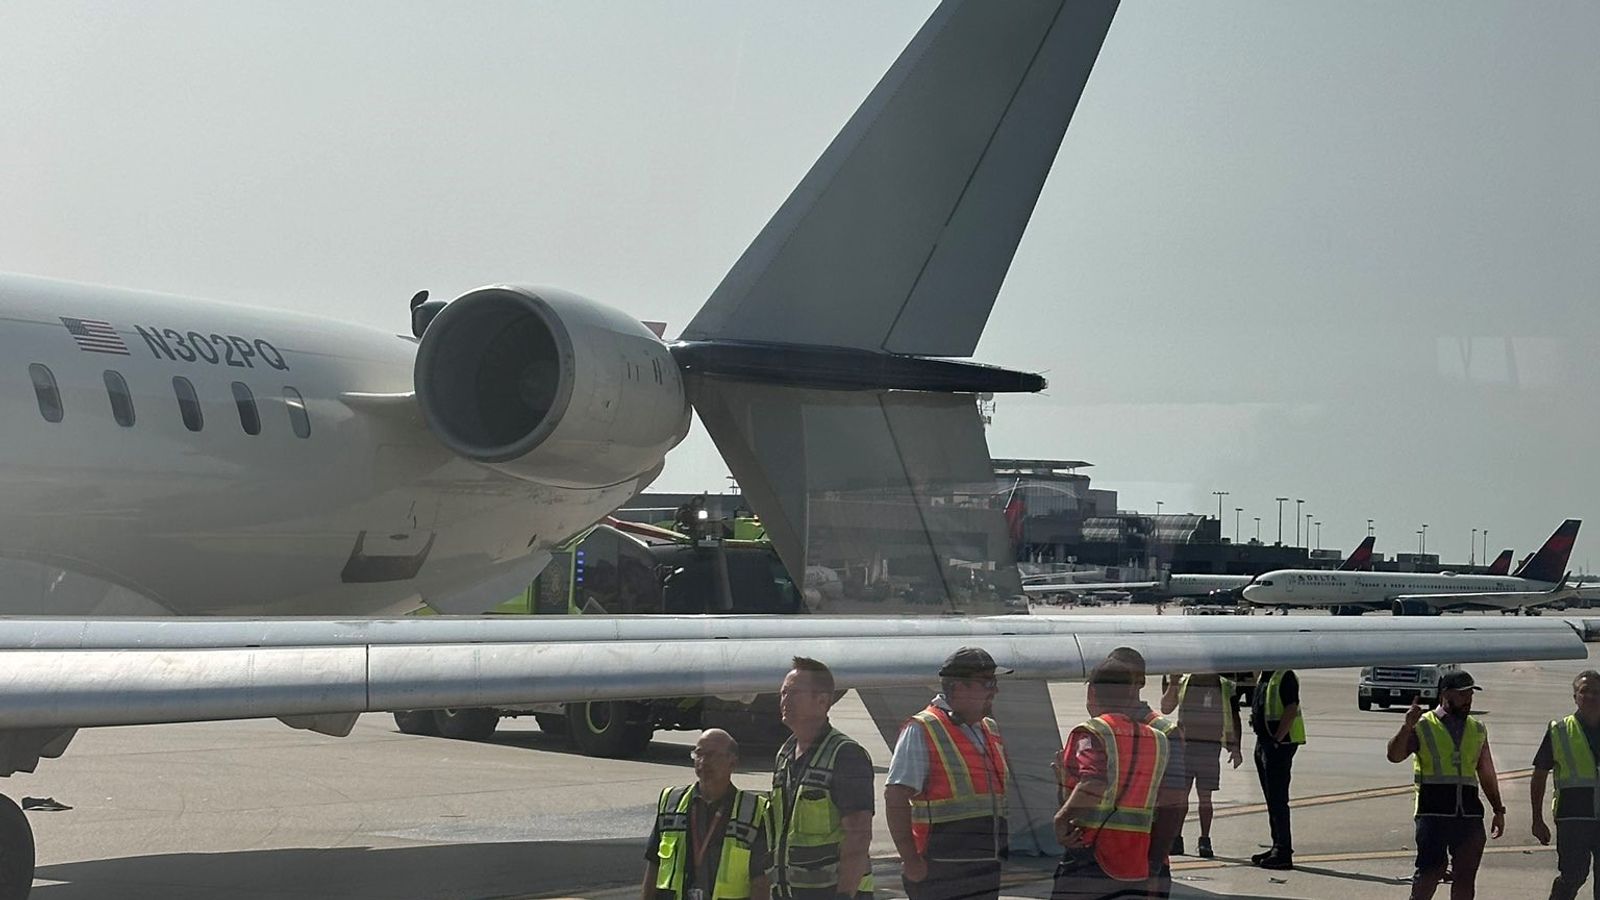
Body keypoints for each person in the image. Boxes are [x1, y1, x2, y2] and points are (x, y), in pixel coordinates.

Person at [885, 647, 1012, 900]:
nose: (994, 691)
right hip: (940, 870)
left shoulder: (988, 728)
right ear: (958, 688)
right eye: (987, 683)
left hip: (984, 868)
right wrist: (911, 861)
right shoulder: (923, 729)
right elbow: (895, 797)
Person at [1051, 659, 1171, 899]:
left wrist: (1061, 817)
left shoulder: (1092, 732)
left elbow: (1094, 781)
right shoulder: (1158, 740)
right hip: (1135, 860)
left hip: (1091, 855)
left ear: (1091, 691)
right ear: (1131, 693)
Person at [1386, 669, 1504, 899]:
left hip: (1469, 814)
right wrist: (1406, 726)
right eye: (1462, 694)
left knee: (1465, 876)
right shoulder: (1423, 725)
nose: (1468, 700)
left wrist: (1498, 809)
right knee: (1430, 872)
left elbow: (1486, 772)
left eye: (1470, 694)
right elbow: (1394, 755)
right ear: (1445, 694)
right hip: (1433, 812)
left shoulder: (1477, 728)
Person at [770, 657, 875, 899]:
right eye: (783, 693)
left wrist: (844, 894)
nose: (785, 701)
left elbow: (858, 835)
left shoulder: (846, 755)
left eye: (794, 693)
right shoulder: (785, 754)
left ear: (822, 700)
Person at [643, 728, 773, 900]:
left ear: (732, 763)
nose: (703, 761)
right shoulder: (672, 802)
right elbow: (654, 866)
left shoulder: (753, 811)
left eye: (712, 755)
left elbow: (760, 881)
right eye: (698, 754)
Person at [1104, 647, 1185, 898]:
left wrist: (1153, 866)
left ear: (1138, 683)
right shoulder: (1101, 729)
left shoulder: (1163, 733)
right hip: (1103, 860)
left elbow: (1173, 805)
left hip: (1143, 860)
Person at [1531, 669, 1600, 900]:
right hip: (1573, 819)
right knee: (1573, 875)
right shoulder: (1559, 731)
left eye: (1596, 692)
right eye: (1584, 691)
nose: (1590, 696)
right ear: (1575, 697)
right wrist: (1537, 819)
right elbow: (1539, 775)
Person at [1159, 673, 1243, 859]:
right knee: (1182, 797)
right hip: (1185, 746)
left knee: (1205, 798)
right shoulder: (1182, 681)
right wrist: (1173, 683)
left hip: (1209, 747)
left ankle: (1204, 839)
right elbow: (1166, 708)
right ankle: (1177, 838)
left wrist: (1235, 746)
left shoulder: (1224, 686)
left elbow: (1234, 716)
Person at [1250, 669, 1304, 870]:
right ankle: (1277, 846)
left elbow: (1291, 708)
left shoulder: (1285, 675)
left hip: (1278, 745)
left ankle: (1283, 851)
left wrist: (1276, 740)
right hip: (1264, 742)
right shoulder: (1266, 675)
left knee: (1278, 799)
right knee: (1272, 799)